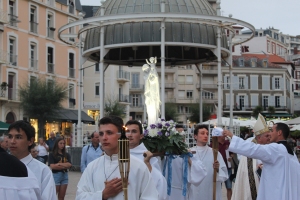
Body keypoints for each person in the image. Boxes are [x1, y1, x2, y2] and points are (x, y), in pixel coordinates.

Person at [76, 115, 158, 200]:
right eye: (101, 134)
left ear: (121, 135)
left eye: (109, 133)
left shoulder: (138, 167)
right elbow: (79, 196)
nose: (104, 138)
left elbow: (150, 197)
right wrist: (103, 195)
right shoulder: (92, 167)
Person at [223, 120, 300, 200]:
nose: (270, 134)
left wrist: (233, 137)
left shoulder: (276, 148)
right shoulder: (291, 154)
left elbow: (254, 149)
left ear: (279, 132)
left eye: (272, 130)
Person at [8, 120, 56, 200]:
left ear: (30, 141)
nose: (12, 141)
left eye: (18, 137)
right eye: (10, 137)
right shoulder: (3, 166)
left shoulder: (42, 171)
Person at [231, 114, 271, 200]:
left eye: (269, 135)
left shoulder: (271, 147)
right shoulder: (249, 149)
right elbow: (245, 167)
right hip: (253, 185)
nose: (269, 138)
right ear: (259, 138)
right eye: (267, 136)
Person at [125, 120, 167, 200]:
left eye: (134, 131)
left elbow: (159, 182)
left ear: (141, 136)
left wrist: (147, 163)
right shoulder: (117, 154)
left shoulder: (147, 156)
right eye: (127, 131)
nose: (130, 135)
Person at [188, 125, 228, 200]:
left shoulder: (215, 153)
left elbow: (224, 174)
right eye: (202, 133)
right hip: (195, 189)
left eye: (207, 133)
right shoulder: (189, 153)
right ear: (195, 136)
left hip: (211, 189)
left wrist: (218, 169)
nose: (206, 135)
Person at [143, 57, 160, 126]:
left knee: (153, 108)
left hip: (153, 93)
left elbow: (154, 77)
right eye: (144, 69)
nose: (145, 70)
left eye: (146, 69)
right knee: (150, 109)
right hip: (149, 94)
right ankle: (151, 123)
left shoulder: (152, 74)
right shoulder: (146, 76)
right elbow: (147, 83)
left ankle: (153, 123)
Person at [216, 135, 232, 200]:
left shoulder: (227, 143)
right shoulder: (213, 144)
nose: (224, 136)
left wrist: (231, 157)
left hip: (228, 167)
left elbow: (232, 153)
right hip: (219, 169)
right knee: (218, 187)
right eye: (223, 135)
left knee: (229, 186)